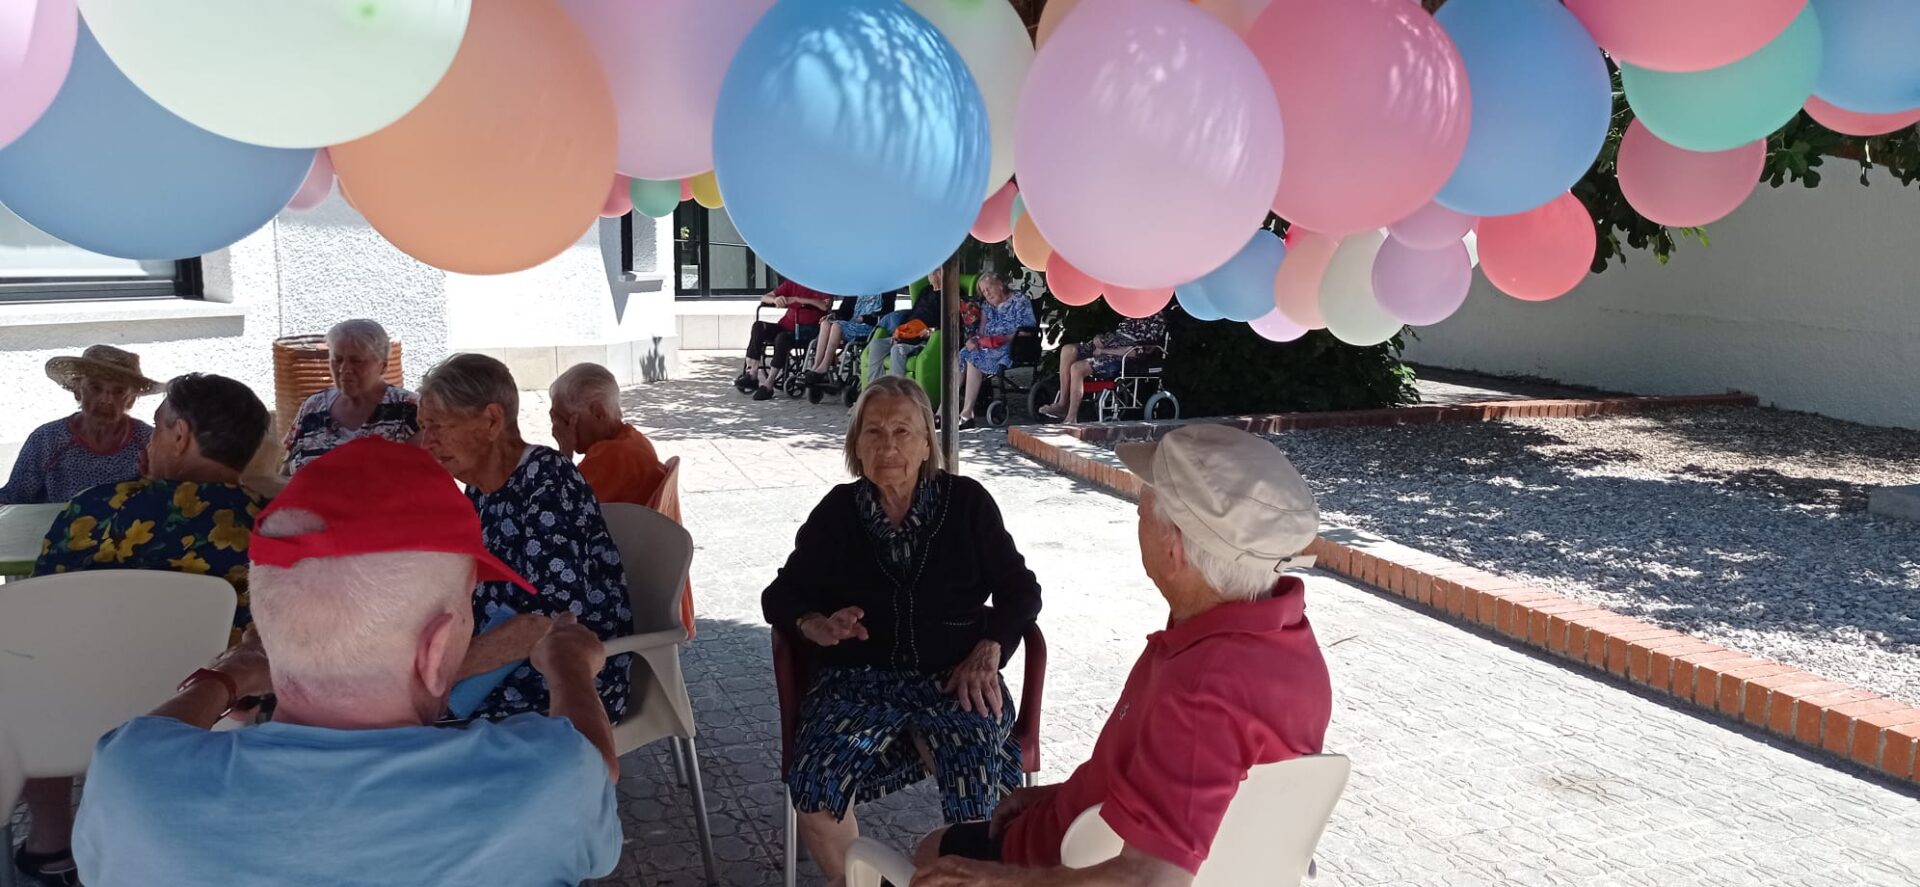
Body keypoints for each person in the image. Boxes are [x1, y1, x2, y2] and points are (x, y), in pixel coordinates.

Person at [70, 438, 622, 886]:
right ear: (435, 653)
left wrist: (225, 677)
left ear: (268, 634)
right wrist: (569, 669)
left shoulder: (129, 782)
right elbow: (593, 765)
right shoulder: (543, 783)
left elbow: (147, 737)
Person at [910, 425, 1332, 886]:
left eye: (1142, 508)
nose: (1138, 516)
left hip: (1058, 861)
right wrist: (1058, 795)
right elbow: (1178, 771)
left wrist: (991, 880)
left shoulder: (1202, 687)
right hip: (1101, 830)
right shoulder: (1287, 636)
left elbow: (1150, 878)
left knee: (928, 850)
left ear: (1174, 548)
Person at [761, 376, 1042, 886]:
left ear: (926, 441)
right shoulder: (838, 514)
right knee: (815, 789)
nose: (887, 445)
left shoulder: (967, 504)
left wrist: (989, 649)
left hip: (955, 677)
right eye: (873, 432)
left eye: (901, 431)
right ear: (856, 444)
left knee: (977, 791)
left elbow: (1021, 591)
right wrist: (815, 624)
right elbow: (781, 595)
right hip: (860, 682)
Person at [14, 372, 271, 887]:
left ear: (180, 436)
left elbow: (44, 619)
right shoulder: (270, 524)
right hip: (216, 709)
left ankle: (52, 843)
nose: (148, 443)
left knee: (27, 669)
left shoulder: (93, 509)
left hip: (74, 707)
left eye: (155, 430)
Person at [417, 353, 635, 723]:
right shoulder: (480, 489)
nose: (427, 442)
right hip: (494, 663)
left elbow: (548, 619)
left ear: (491, 420)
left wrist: (438, 675)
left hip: (558, 676)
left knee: (398, 724)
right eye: (424, 427)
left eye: (437, 426)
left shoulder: (547, 482)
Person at [0, 345, 160, 505]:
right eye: (95, 388)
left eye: (119, 391)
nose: (106, 399)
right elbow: (12, 500)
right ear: (77, 390)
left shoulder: (149, 442)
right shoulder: (47, 439)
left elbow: (165, 499)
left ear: (131, 399)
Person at [280, 319, 420, 474]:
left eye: (357, 361)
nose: (344, 369)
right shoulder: (313, 406)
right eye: (337, 360)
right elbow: (287, 471)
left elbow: (425, 479)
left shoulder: (408, 409)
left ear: (383, 366)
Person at [549, 362, 666, 506]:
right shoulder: (635, 438)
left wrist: (564, 451)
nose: (557, 429)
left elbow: (556, 511)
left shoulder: (610, 456)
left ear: (598, 412)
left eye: (565, 420)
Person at [1037, 312, 1170, 424]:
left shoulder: (1156, 319)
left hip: (1122, 354)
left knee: (1077, 368)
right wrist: (1098, 338)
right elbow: (1114, 331)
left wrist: (1105, 351)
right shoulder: (1132, 309)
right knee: (1068, 350)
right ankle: (1062, 404)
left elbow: (1139, 351)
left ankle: (1071, 417)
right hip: (1109, 343)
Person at [953, 271, 1036, 430]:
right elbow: (982, 331)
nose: (987, 293)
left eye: (989, 288)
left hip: (1011, 346)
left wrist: (1002, 339)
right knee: (963, 353)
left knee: (973, 358)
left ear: (1000, 285)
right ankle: (944, 409)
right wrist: (975, 340)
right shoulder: (987, 306)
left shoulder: (1019, 301)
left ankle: (967, 412)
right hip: (988, 344)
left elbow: (1027, 330)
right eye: (983, 291)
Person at [737, 278, 835, 401]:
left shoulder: (821, 284)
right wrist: (775, 299)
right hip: (786, 325)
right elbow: (764, 297)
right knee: (758, 327)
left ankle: (768, 384)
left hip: (807, 330)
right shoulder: (793, 282)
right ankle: (752, 374)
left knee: (782, 338)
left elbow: (825, 305)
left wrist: (797, 299)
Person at [862, 267, 945, 388]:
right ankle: (875, 388)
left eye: (936, 271)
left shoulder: (949, 295)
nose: (931, 274)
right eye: (932, 272)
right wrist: (900, 333)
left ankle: (897, 393)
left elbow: (949, 321)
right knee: (876, 344)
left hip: (924, 337)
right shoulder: (926, 290)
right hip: (909, 332)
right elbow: (913, 313)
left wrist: (929, 331)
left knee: (897, 349)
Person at [801, 290, 889, 386]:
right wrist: (834, 315)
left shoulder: (886, 290)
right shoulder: (857, 287)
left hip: (869, 326)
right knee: (825, 323)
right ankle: (816, 365)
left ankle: (825, 366)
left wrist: (864, 318)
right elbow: (844, 310)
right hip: (851, 324)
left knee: (837, 326)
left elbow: (887, 312)